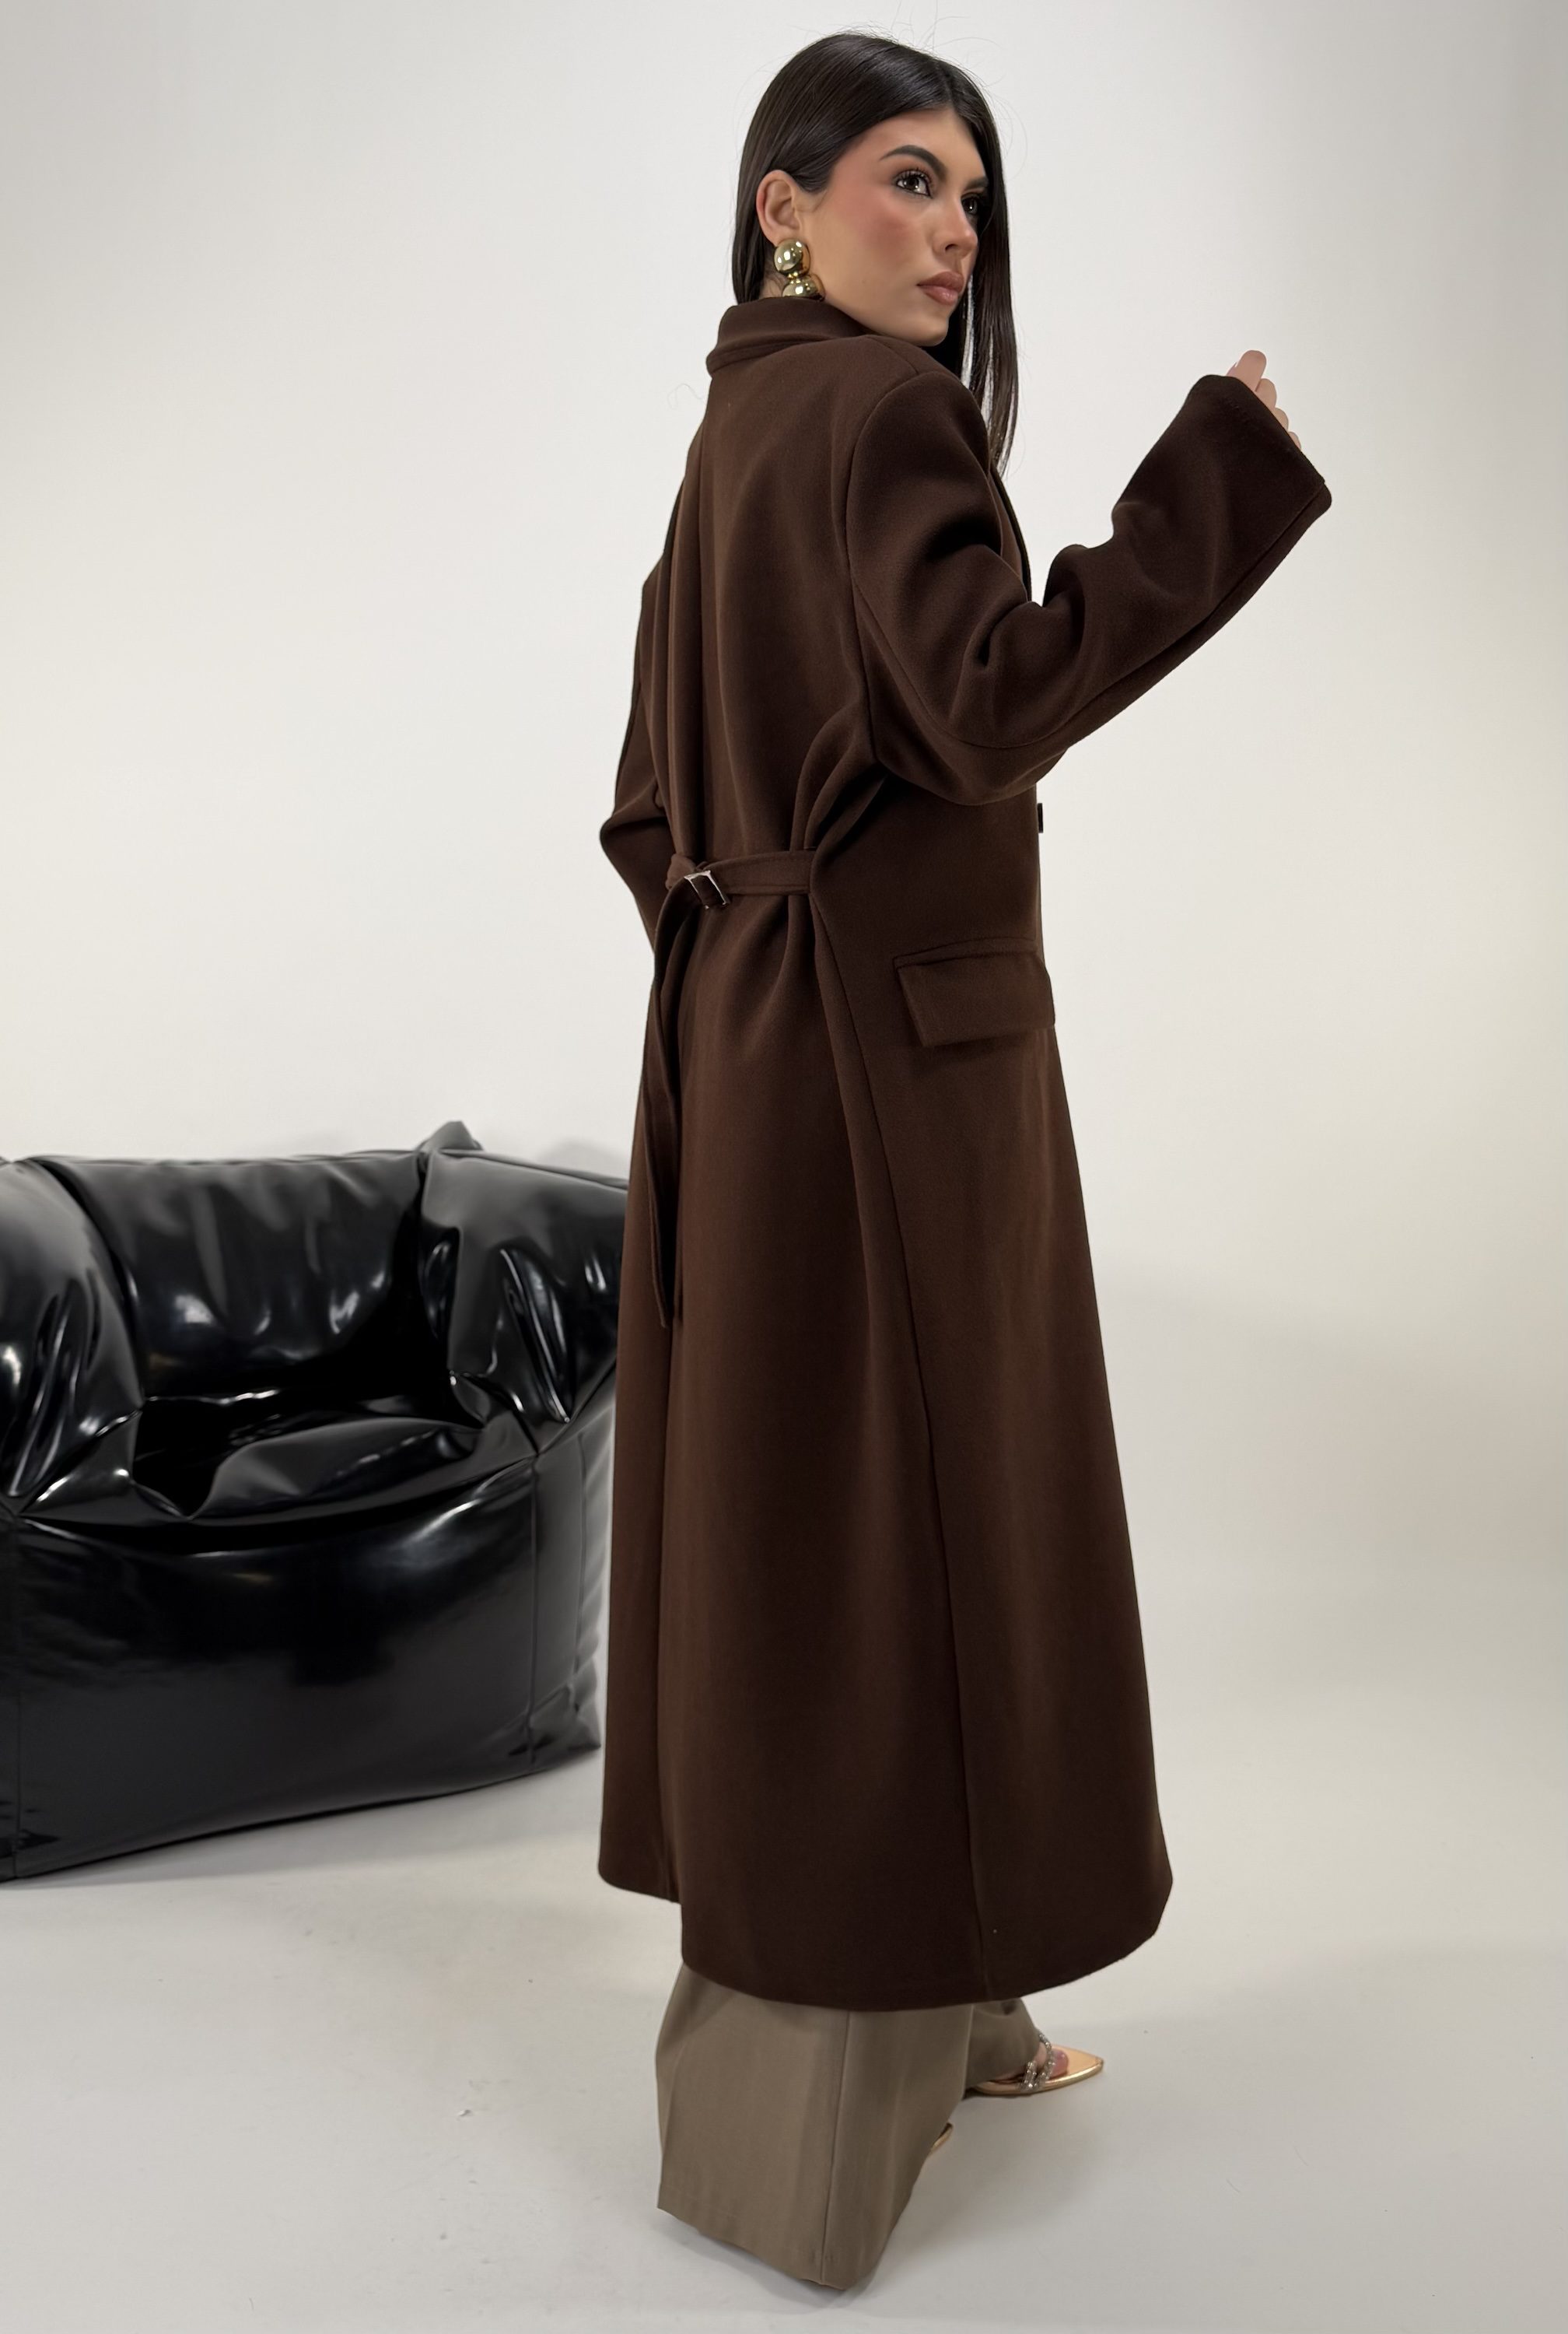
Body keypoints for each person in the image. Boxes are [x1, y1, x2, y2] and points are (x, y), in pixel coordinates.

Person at [598, 29, 1331, 2292]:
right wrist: (1216, 481)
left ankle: (958, 2006)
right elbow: (994, 702)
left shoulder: (735, 425)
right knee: (911, 1543)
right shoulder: (881, 416)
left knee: (835, 1542)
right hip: (889, 1078)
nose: (953, 236)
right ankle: (818, 2135)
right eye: (909, 181)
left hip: (748, 1055)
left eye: (975, 200)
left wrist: (746, 953)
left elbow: (642, 803)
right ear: (784, 205)